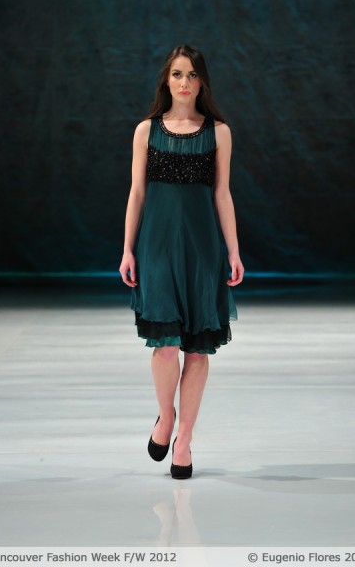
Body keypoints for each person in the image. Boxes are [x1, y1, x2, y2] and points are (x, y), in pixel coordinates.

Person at [119, 45, 244, 479]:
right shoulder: (146, 131)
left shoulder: (219, 133)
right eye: (177, 74)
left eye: (191, 74)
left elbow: (222, 193)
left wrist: (233, 250)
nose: (184, 82)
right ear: (166, 80)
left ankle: (185, 440)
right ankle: (166, 415)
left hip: (202, 248)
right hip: (156, 245)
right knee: (165, 344)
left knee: (197, 347)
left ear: (202, 80)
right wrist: (127, 249)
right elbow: (137, 193)